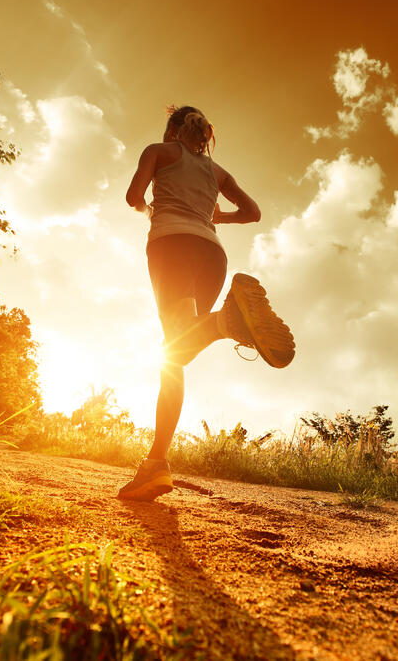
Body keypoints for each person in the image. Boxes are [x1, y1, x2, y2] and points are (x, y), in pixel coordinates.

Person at [118, 105, 294, 501]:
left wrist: (149, 210)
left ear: (172, 129)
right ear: (203, 134)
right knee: (177, 353)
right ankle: (156, 465)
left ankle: (224, 323)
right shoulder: (217, 172)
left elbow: (132, 197)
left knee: (174, 351)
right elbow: (253, 212)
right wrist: (217, 218)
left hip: (171, 245)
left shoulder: (158, 152)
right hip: (212, 254)